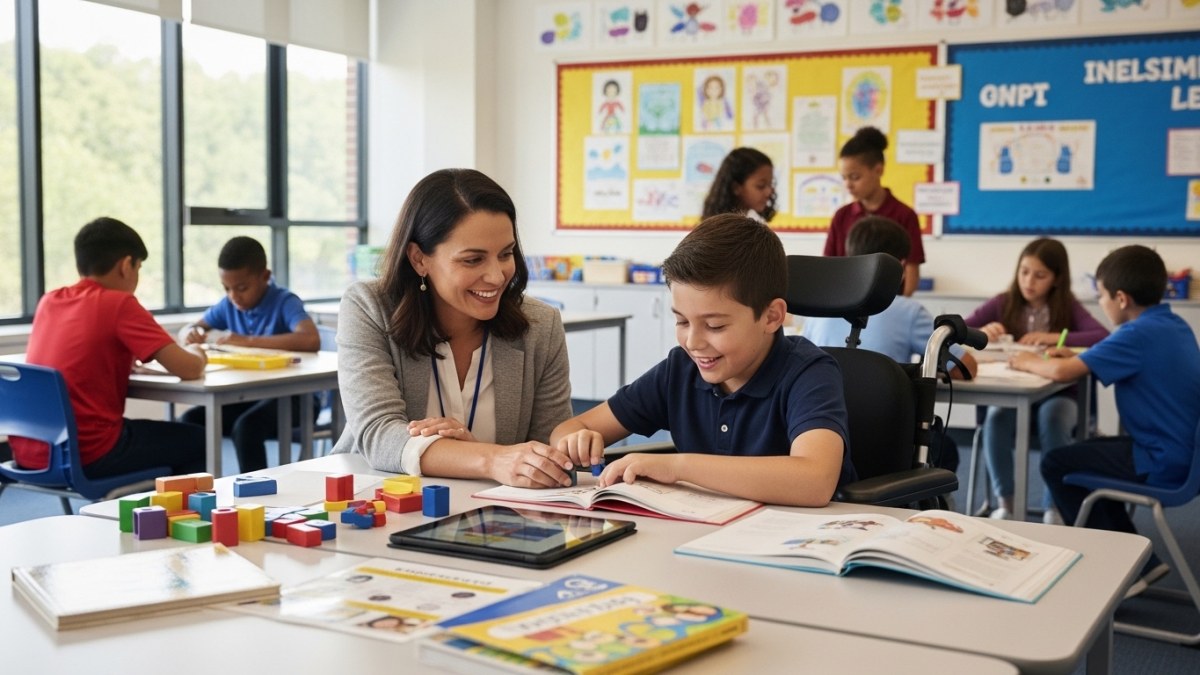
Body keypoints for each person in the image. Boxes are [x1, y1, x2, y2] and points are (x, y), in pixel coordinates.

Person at [551, 213, 854, 507]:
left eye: (715, 326)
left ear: (771, 316)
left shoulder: (809, 373)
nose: (693, 343)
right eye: (682, 322)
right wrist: (575, 440)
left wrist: (679, 467)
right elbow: (568, 428)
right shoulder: (680, 370)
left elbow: (815, 480)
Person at [330, 168, 575, 487]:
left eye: (505, 254)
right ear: (419, 259)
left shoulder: (541, 326)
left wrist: (474, 452)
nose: (498, 276)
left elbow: (549, 455)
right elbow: (380, 435)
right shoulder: (368, 307)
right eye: (473, 260)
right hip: (374, 499)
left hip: (490, 518)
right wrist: (491, 459)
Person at [1012, 245, 1200, 598]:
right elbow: (1106, 354)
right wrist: (1076, 353)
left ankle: (1122, 570)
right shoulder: (1171, 325)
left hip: (1162, 461)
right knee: (1089, 455)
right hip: (1181, 453)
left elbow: (1061, 371)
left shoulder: (1135, 336)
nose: (1101, 303)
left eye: (1101, 296)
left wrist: (1024, 361)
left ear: (1121, 298)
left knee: (1056, 463)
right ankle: (1140, 561)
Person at [9, 217, 207, 478]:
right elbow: (190, 369)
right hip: (89, 453)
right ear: (126, 265)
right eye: (139, 268)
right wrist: (198, 352)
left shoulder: (49, 301)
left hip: (30, 452)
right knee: (199, 439)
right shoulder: (120, 304)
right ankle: (174, 516)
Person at [803, 216, 977, 473]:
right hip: (883, 439)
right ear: (902, 266)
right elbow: (966, 368)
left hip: (816, 432)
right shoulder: (908, 311)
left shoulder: (817, 310)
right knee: (944, 449)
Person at [964, 238, 1109, 521]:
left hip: (1059, 395)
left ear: (1056, 279)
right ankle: (1006, 503)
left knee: (1053, 418)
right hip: (1012, 394)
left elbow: (1102, 336)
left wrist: (1054, 336)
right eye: (1024, 272)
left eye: (1040, 275)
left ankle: (1054, 506)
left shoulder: (1067, 306)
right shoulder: (1003, 302)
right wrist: (982, 330)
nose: (1029, 281)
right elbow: (957, 329)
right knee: (995, 418)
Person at [178, 236, 321, 472]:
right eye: (227, 288)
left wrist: (248, 341)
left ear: (265, 276)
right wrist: (190, 333)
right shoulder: (229, 304)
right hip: (247, 397)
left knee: (246, 428)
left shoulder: (285, 301)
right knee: (190, 421)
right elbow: (193, 327)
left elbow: (310, 338)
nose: (234, 296)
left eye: (242, 288)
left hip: (294, 399)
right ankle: (197, 495)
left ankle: (257, 501)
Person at [824, 126, 925, 296]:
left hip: (890, 305)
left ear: (878, 170)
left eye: (855, 177)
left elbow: (911, 271)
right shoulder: (842, 216)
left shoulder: (904, 215)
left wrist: (902, 305)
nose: (848, 184)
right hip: (845, 303)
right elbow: (828, 267)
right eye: (844, 178)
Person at [700, 147, 776, 223]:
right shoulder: (720, 228)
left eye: (770, 184)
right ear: (736, 187)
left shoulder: (755, 221)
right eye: (761, 186)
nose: (768, 192)